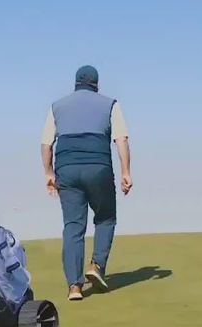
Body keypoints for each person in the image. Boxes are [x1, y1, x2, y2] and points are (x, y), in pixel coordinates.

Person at [41, 65, 132, 300]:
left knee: (73, 226)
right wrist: (126, 172)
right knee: (105, 218)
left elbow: (46, 144)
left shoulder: (56, 106)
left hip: (66, 170)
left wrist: (49, 174)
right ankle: (96, 265)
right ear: (96, 85)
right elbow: (121, 139)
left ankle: (74, 286)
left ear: (75, 84)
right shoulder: (110, 104)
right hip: (98, 168)